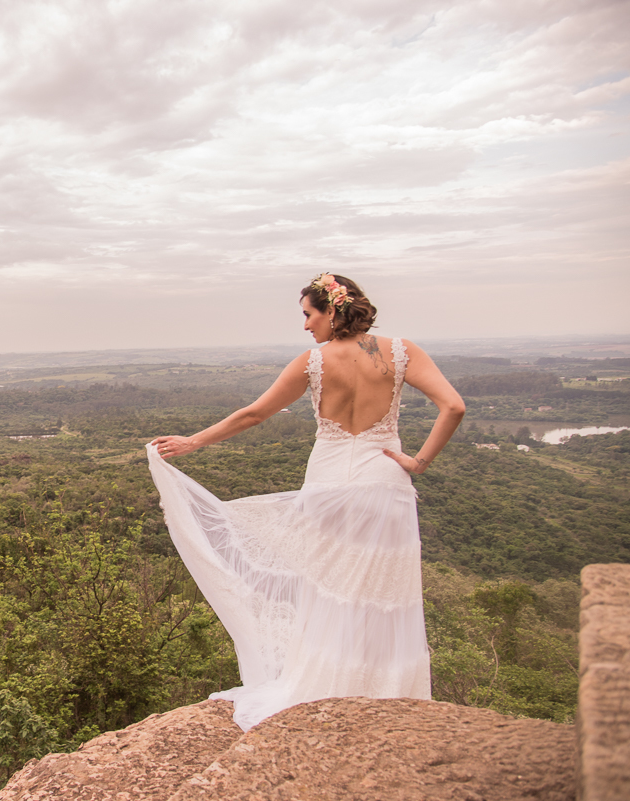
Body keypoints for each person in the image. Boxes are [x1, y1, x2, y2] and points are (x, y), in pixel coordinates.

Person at [147, 274, 465, 732]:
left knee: (330, 589)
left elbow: (255, 413)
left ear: (332, 311)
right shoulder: (401, 351)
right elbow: (453, 406)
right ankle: (389, 700)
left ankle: (328, 691)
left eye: (307, 314)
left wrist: (192, 442)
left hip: (329, 486)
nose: (304, 326)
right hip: (384, 483)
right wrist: (419, 462)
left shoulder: (312, 363)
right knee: (385, 593)